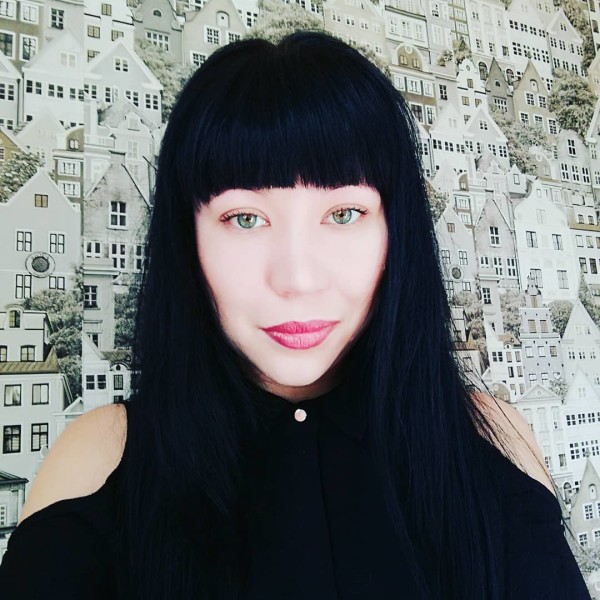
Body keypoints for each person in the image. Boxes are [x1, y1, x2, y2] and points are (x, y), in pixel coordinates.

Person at [0, 30, 591, 600]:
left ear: (396, 231)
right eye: (245, 219)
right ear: (188, 239)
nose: (298, 279)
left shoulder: (494, 439)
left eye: (343, 214)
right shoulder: (100, 458)